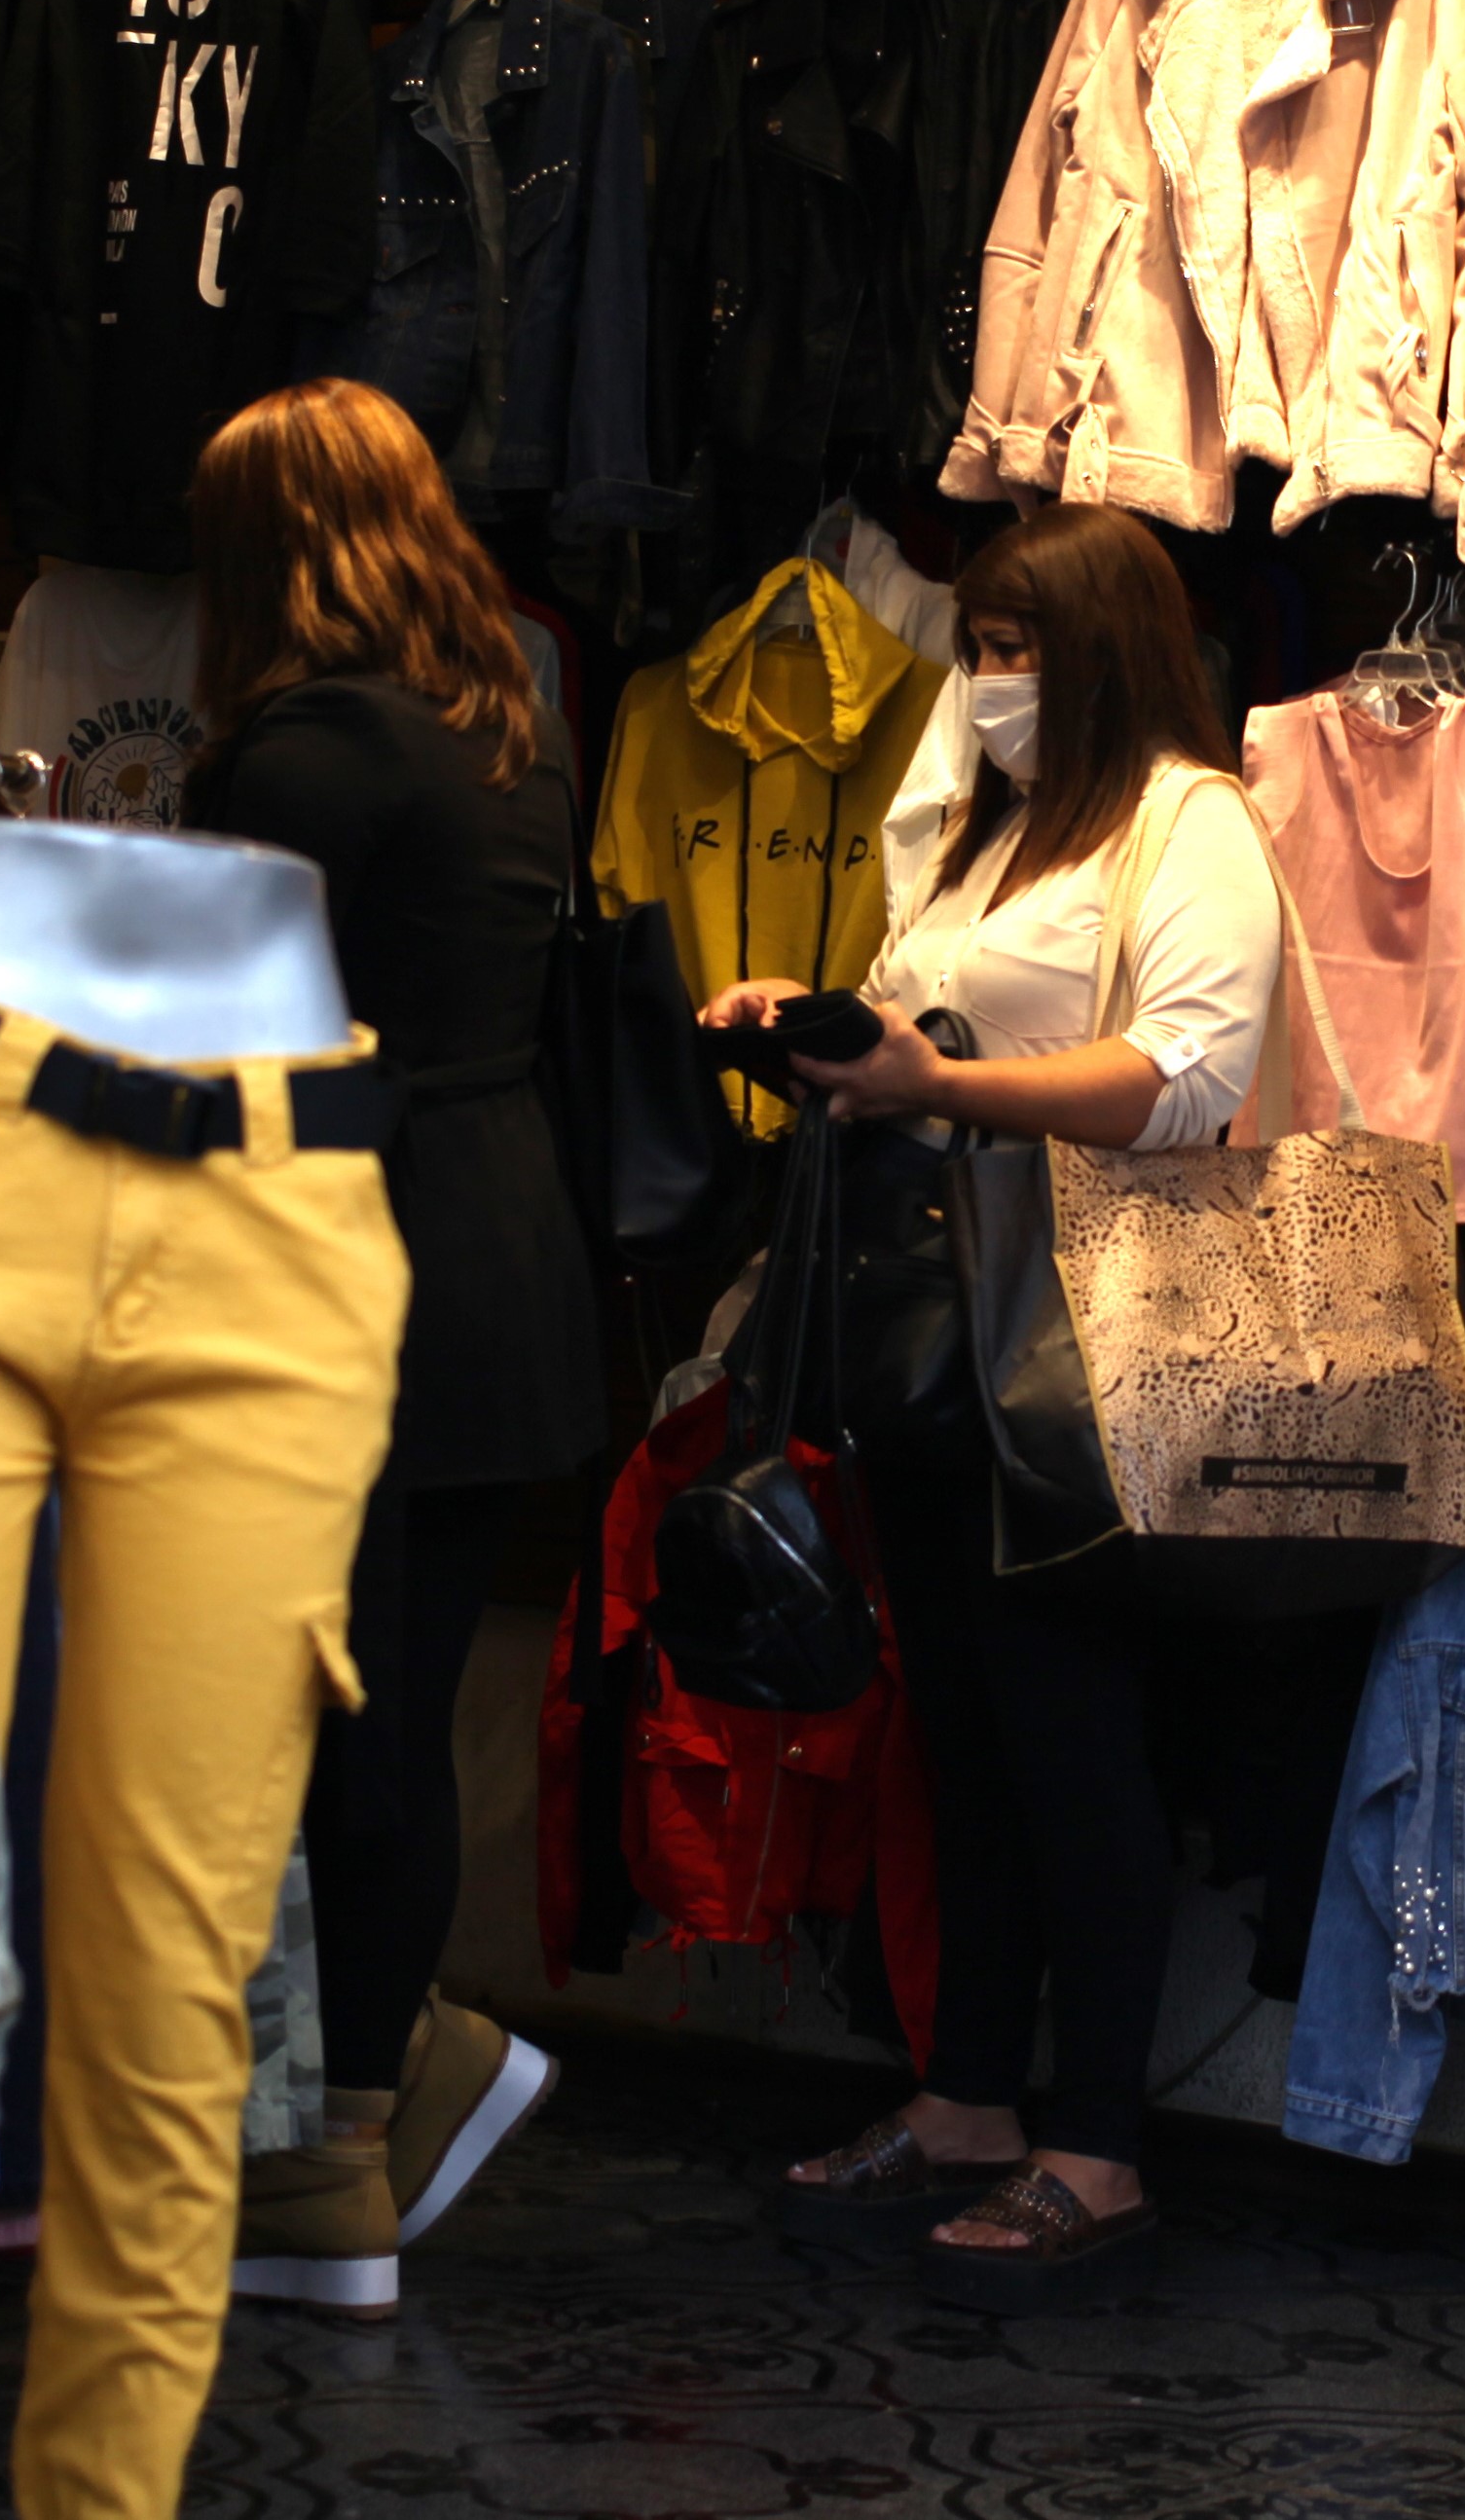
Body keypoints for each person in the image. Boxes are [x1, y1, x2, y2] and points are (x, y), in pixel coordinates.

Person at [704, 499, 1288, 2314]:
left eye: (1019, 649)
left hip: (1088, 1340)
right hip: (947, 1341)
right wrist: (829, 1039)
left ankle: (1094, 2147)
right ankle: (968, 2102)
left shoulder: (1191, 825)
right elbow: (920, 1021)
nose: (990, 680)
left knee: (1068, 1740)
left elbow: (1193, 1077)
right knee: (963, 1737)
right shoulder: (984, 831)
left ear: (1100, 654)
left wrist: (944, 1078)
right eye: (983, 648)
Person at [181, 381, 604, 2294]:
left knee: (300, 1710)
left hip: (334, 1242)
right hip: (499, 1233)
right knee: (405, 1708)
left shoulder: (304, 748)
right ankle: (375, 2090)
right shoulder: (514, 694)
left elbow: (210, 1019)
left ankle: (324, 2151)